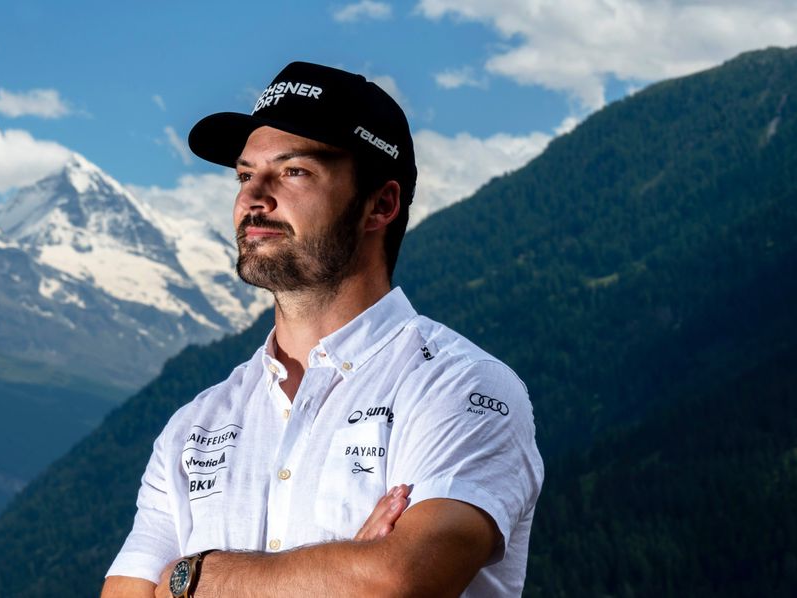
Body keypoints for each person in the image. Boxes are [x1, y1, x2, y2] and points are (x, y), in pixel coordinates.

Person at [101, 62, 543, 598]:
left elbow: (396, 581)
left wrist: (193, 576)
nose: (253, 198)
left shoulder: (462, 388)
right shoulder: (194, 426)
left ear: (380, 204)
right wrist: (342, 570)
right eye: (244, 175)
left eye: (293, 172)